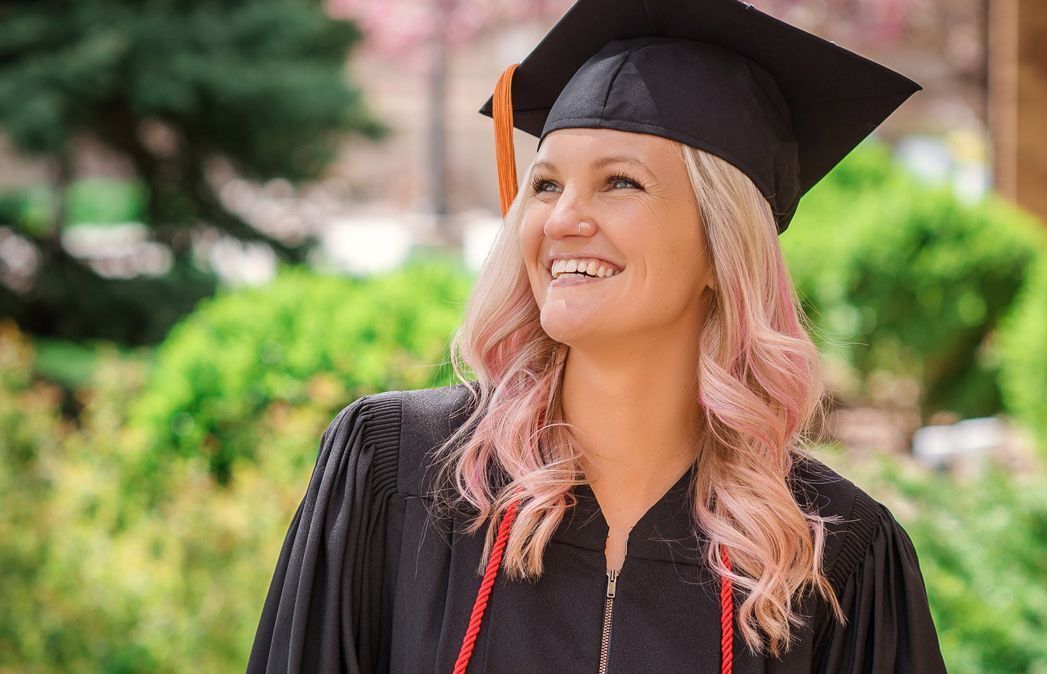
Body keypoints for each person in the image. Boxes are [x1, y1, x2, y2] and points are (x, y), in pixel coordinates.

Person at [246, 0, 948, 671]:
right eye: (546, 186)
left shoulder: (831, 556)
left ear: (721, 246)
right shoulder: (398, 470)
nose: (562, 220)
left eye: (620, 183)